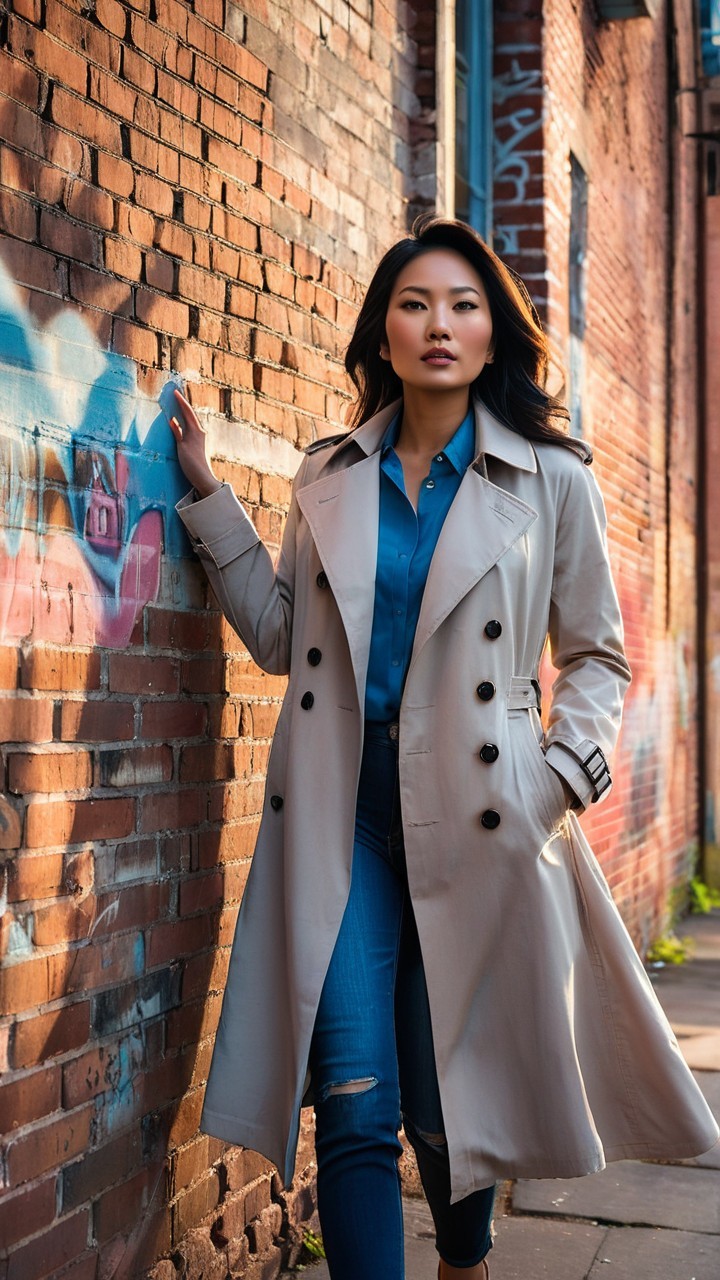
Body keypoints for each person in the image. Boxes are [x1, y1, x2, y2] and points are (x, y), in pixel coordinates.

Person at [168, 215, 718, 1280]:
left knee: (441, 1099)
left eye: (464, 305)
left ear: (491, 333)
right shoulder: (329, 473)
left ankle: (464, 1255)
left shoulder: (551, 477)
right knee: (358, 1098)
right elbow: (285, 637)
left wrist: (556, 779)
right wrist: (204, 496)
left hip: (483, 818)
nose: (439, 324)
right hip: (347, 815)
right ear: (383, 330)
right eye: (415, 303)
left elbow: (600, 655)